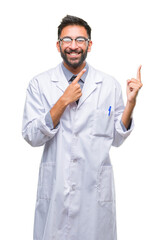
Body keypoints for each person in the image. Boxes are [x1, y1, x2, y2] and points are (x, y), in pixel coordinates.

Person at [22, 15, 142, 240]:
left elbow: (116, 137)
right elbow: (31, 136)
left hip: (94, 195)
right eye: (67, 40)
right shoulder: (40, 84)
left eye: (80, 40)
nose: (73, 46)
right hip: (56, 191)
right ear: (58, 45)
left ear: (89, 45)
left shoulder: (108, 84)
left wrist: (131, 104)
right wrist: (63, 101)